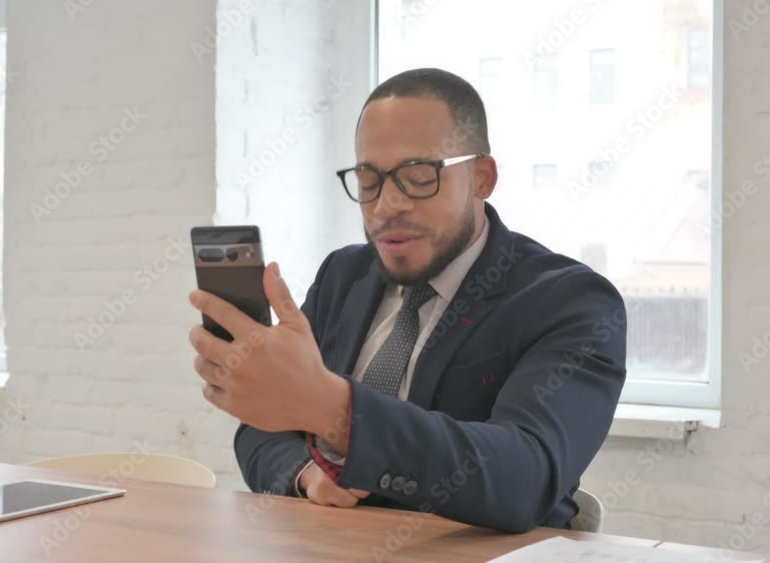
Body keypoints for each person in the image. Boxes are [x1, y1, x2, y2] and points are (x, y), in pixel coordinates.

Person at [187, 67, 627, 532]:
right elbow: (267, 424)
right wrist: (308, 474)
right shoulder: (343, 276)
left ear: (481, 177)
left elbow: (525, 478)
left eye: (418, 177)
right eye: (368, 179)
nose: (386, 204)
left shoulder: (571, 302)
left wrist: (334, 410)